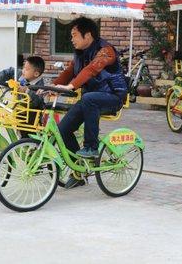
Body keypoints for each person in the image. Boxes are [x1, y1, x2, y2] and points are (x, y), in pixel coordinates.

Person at [53, 17, 128, 187]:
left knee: (88, 98)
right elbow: (70, 71)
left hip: (113, 97)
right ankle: (79, 171)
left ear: (88, 35)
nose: (71, 39)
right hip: (90, 99)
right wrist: (53, 86)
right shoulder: (79, 54)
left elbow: (92, 69)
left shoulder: (106, 50)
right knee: (62, 130)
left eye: (74, 35)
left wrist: (71, 86)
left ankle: (91, 147)